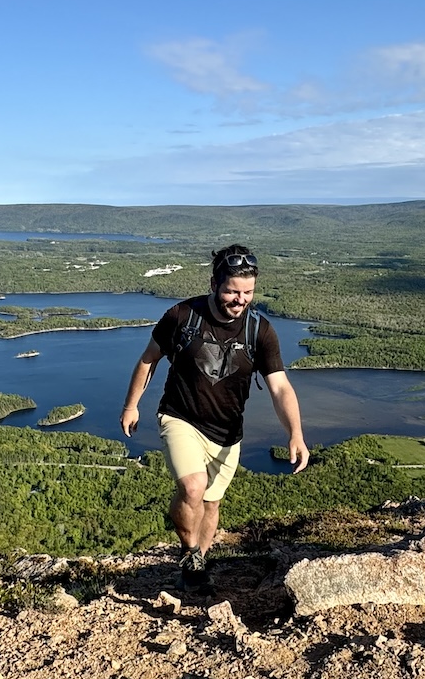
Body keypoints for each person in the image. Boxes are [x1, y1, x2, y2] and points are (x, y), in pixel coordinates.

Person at [121, 245, 309, 594]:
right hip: (180, 416)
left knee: (211, 503)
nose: (240, 300)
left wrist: (295, 433)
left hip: (227, 432)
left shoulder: (260, 331)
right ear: (213, 284)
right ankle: (190, 554)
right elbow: (149, 359)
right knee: (192, 487)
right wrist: (132, 405)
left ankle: (198, 566)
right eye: (232, 291)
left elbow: (280, 387)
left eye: (248, 293)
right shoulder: (182, 316)